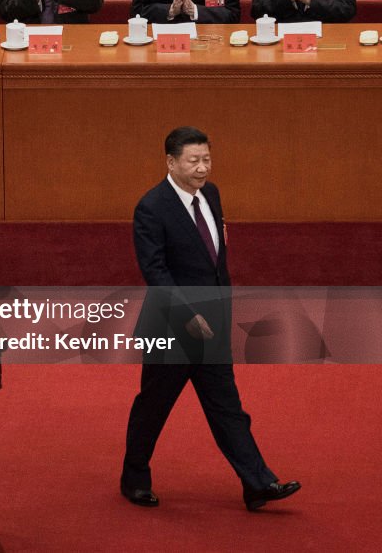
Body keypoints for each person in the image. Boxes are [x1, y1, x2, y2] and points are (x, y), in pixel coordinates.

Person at [121, 126, 301, 511]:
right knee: (154, 406)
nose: (203, 168)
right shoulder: (151, 207)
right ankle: (133, 477)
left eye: (207, 159)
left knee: (227, 408)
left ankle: (257, 484)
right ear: (171, 162)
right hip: (172, 328)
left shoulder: (212, 195)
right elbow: (155, 272)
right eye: (194, 161)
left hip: (212, 326)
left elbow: (216, 261)